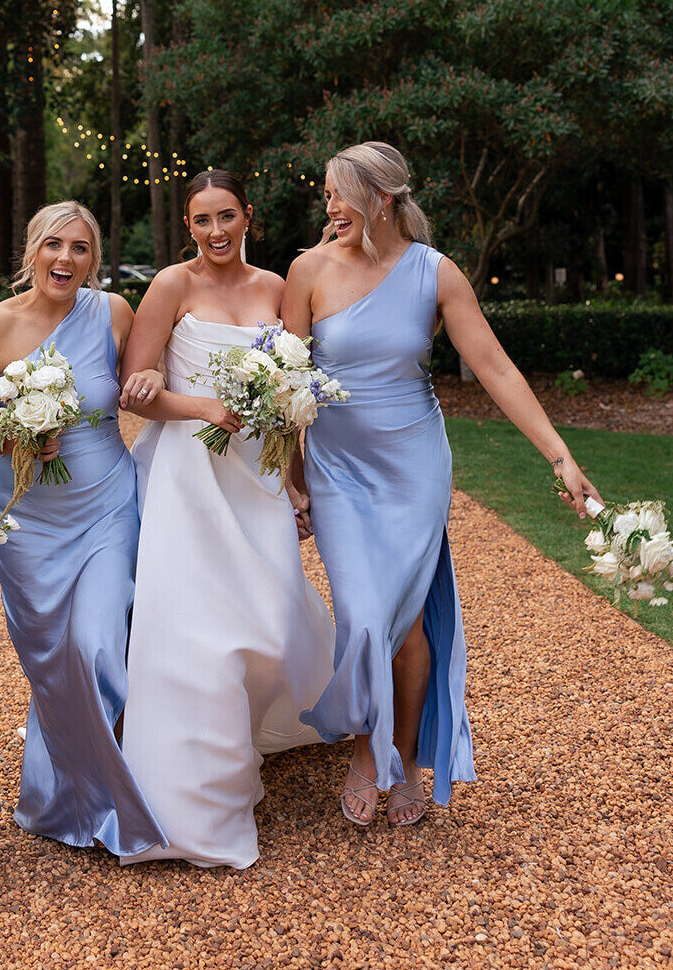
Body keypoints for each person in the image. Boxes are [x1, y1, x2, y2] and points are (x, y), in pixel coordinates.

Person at [282, 141, 601, 828]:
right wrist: (291, 473)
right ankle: (366, 749)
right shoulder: (305, 271)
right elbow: (284, 385)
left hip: (413, 465)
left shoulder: (435, 272)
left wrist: (558, 456)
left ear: (382, 198)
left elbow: (494, 367)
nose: (329, 207)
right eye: (327, 196)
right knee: (365, 614)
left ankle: (396, 755)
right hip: (338, 468)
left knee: (405, 621)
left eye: (340, 194)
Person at [117, 170, 336, 869]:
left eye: (225, 217)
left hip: (259, 471)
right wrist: (198, 405)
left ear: (249, 216)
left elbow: (290, 390)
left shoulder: (276, 288)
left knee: (267, 623)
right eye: (200, 220)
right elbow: (136, 391)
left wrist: (297, 479)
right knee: (193, 630)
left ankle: (240, 732)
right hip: (187, 473)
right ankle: (196, 797)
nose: (214, 232)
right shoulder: (170, 287)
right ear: (188, 226)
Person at [0, 200, 166, 857]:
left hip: (105, 509)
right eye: (53, 245)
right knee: (54, 661)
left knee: (96, 645)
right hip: (29, 522)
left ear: (93, 259)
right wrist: (5, 428)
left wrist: (158, 381)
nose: (65, 259)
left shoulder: (112, 313)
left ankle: (119, 800)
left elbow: (144, 383)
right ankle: (56, 797)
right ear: (31, 250)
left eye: (80, 248)